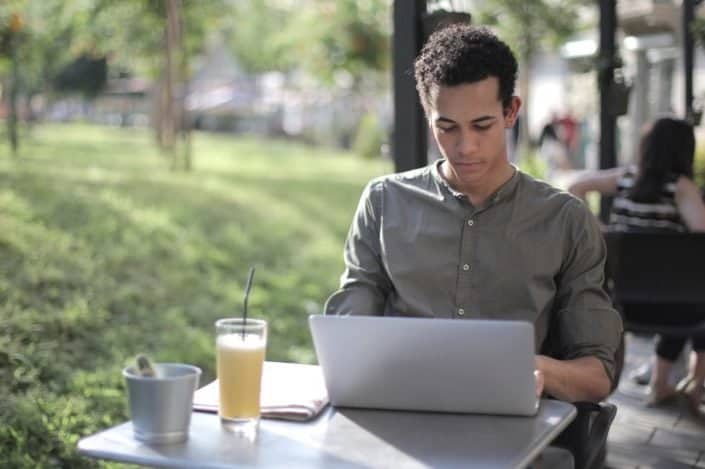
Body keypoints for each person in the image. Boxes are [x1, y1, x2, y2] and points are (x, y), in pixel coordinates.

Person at [324, 24, 623, 405]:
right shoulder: (384, 202)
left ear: (511, 111)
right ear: (427, 115)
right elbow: (349, 338)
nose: (465, 146)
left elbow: (597, 376)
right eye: (446, 127)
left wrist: (532, 369)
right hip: (402, 413)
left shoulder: (565, 220)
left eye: (482, 125)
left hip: (514, 428)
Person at [568, 117, 705, 416]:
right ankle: (688, 381)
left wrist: (600, 230)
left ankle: (665, 382)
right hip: (676, 309)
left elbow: (575, 187)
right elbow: (701, 233)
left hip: (622, 304)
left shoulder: (625, 178)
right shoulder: (681, 188)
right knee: (695, 292)